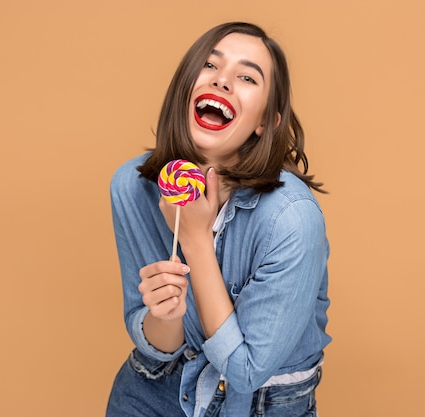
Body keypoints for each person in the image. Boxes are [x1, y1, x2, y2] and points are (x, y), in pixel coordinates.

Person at [107, 21, 331, 417]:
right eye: (210, 66)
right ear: (186, 88)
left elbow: (245, 373)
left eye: (247, 77)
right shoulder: (133, 187)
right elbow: (158, 343)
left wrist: (195, 239)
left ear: (266, 122)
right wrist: (166, 316)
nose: (223, 81)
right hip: (153, 390)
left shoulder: (291, 220)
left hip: (260, 404)